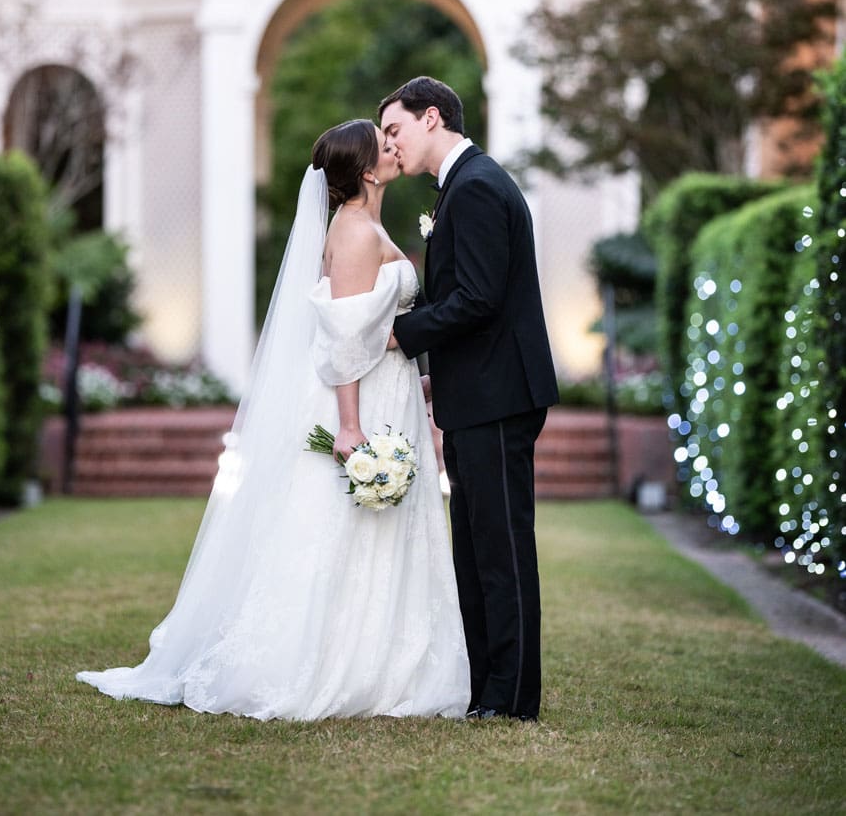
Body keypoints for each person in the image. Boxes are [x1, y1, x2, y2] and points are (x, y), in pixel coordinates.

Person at [76, 119, 469, 720]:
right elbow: (344, 342)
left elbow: (368, 337)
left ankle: (386, 656)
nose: (394, 147)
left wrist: (411, 382)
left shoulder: (362, 225)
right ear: (366, 169)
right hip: (359, 406)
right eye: (383, 141)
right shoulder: (357, 233)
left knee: (368, 531)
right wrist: (349, 427)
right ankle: (341, 661)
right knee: (347, 528)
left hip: (389, 396)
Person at [379, 77, 559, 722]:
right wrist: (438, 374)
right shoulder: (464, 184)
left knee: (502, 548)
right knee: (477, 546)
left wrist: (400, 335)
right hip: (477, 389)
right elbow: (471, 297)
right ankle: (487, 690)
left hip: (498, 395)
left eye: (395, 129)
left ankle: (510, 699)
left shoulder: (478, 187)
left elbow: (477, 300)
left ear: (433, 118)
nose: (389, 145)